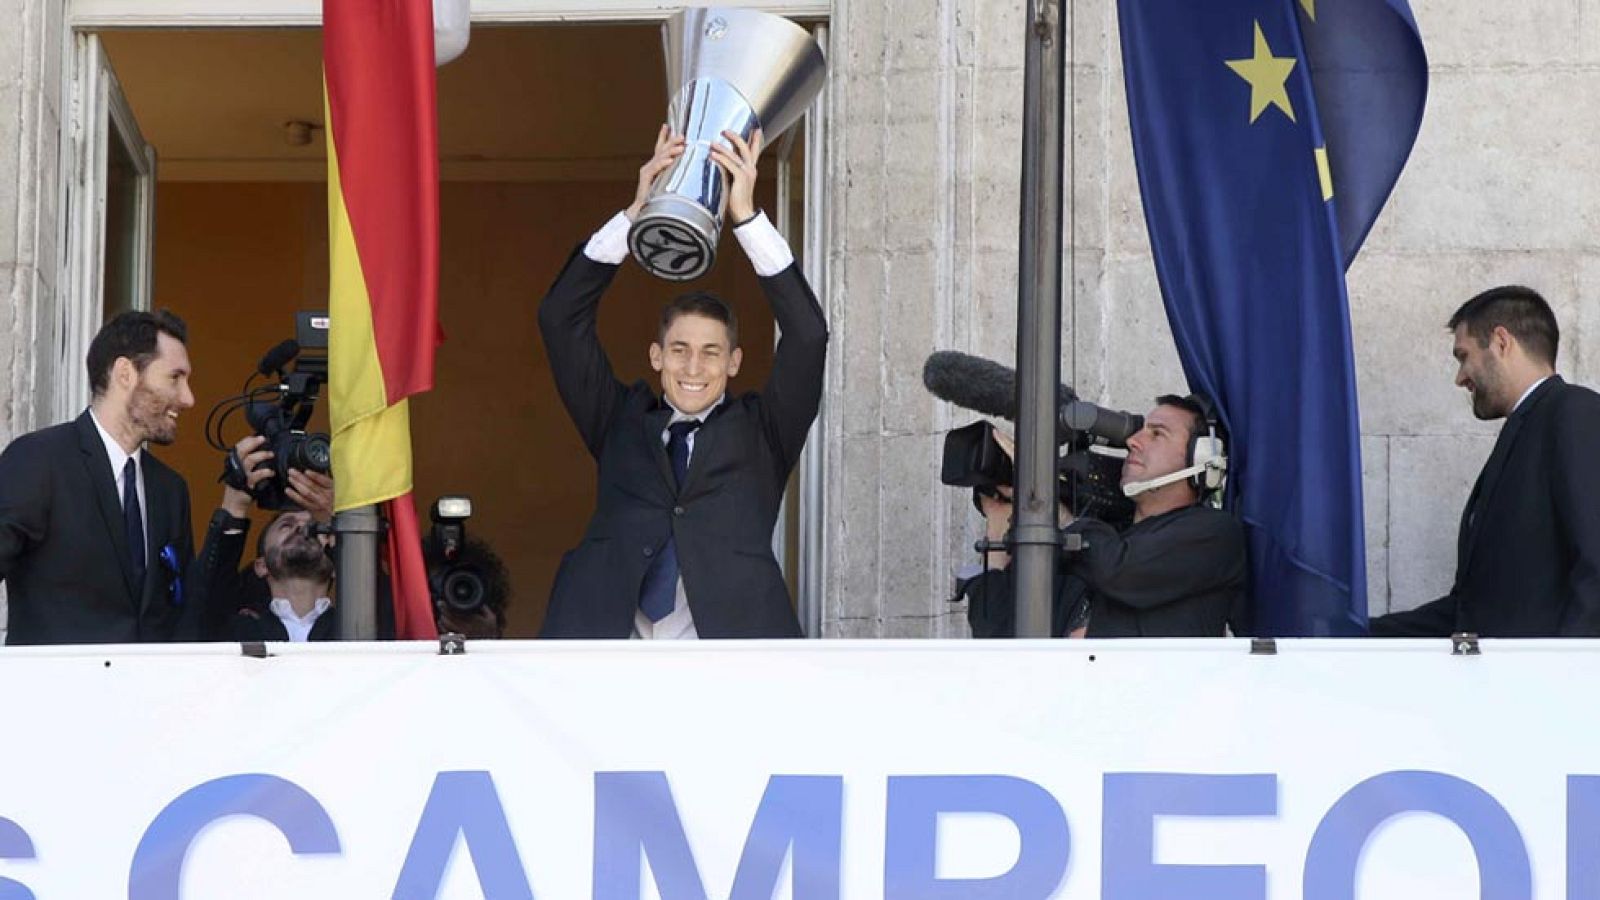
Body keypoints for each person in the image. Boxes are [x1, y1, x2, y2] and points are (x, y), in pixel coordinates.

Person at [537, 125, 828, 638]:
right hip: (609, 641)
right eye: (680, 350)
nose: (693, 367)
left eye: (711, 352)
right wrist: (634, 216)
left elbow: (807, 335)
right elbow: (560, 317)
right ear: (657, 356)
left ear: (734, 362)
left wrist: (746, 218)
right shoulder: (619, 419)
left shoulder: (765, 432)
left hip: (727, 649)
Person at [1371, 286, 1600, 637]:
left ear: (1501, 342)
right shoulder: (1526, 431)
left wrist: (1566, 675)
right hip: (1505, 685)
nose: (1460, 377)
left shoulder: (1573, 412)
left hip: (1549, 686)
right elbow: (1470, 611)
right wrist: (1353, 630)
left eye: (1463, 356)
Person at [961, 395, 1248, 637]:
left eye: (1157, 433)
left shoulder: (1215, 533)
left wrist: (1054, 511)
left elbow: (1120, 571)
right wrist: (997, 531)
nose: (1134, 441)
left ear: (1202, 458)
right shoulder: (1091, 545)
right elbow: (996, 634)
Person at [0, 310, 198, 644]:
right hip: (55, 692)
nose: (188, 398)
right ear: (125, 373)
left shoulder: (170, 489)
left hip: (150, 693)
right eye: (174, 378)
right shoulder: (39, 459)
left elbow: (183, 612)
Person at [191, 433, 338, 641]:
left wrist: (335, 521)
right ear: (261, 566)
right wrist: (235, 502)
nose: (301, 528)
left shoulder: (360, 624)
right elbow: (203, 602)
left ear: (335, 564)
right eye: (286, 525)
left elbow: (387, 598)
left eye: (315, 527)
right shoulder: (237, 630)